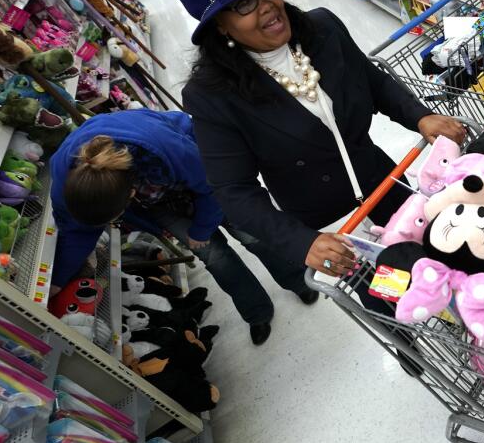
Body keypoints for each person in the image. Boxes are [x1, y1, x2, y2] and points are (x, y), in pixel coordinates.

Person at [166, 0, 465, 315]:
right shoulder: (212, 96)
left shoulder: (322, 28)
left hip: (384, 184)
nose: (268, 6)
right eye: (244, 5)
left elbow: (371, 80)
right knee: (391, 297)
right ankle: (410, 346)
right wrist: (301, 242)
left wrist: (419, 115)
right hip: (331, 226)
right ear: (219, 26)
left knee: (436, 261)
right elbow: (234, 190)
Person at [49, 109, 316, 346]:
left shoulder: (160, 146)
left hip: (204, 176)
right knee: (215, 257)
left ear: (131, 193)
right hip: (160, 202)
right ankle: (257, 313)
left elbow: (212, 185)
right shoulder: (67, 186)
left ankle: (297, 280)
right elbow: (79, 232)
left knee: (251, 234)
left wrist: (201, 229)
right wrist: (58, 281)